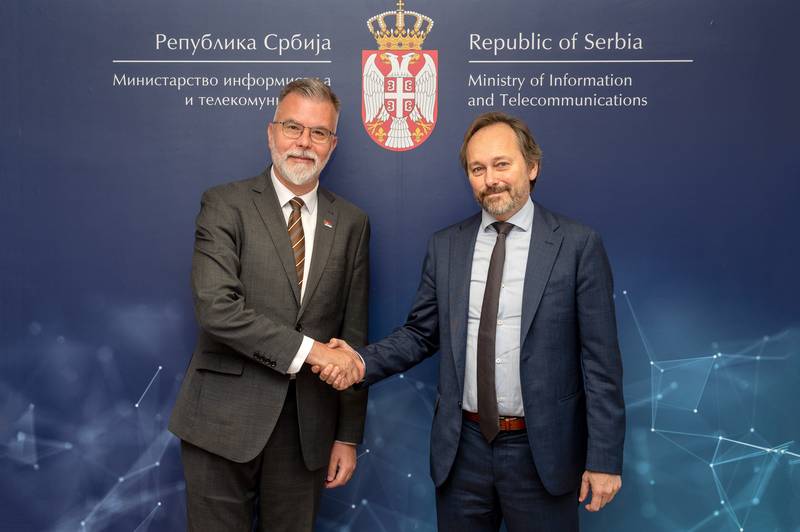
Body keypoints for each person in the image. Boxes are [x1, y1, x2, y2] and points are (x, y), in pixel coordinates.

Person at [318, 112, 625, 531]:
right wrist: (359, 362)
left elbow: (601, 363)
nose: (490, 179)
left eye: (502, 164)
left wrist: (604, 459)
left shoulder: (577, 246)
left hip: (543, 453)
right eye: (477, 169)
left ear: (532, 167)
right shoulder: (446, 246)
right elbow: (420, 334)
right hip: (462, 452)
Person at [169, 78, 368, 532]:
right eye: (292, 127)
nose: (304, 143)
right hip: (220, 423)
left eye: (319, 132)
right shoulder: (225, 204)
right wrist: (313, 352)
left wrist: (347, 435)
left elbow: (353, 335)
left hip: (307, 431)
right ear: (271, 132)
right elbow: (217, 309)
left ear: (333, 144)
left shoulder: (353, 223)